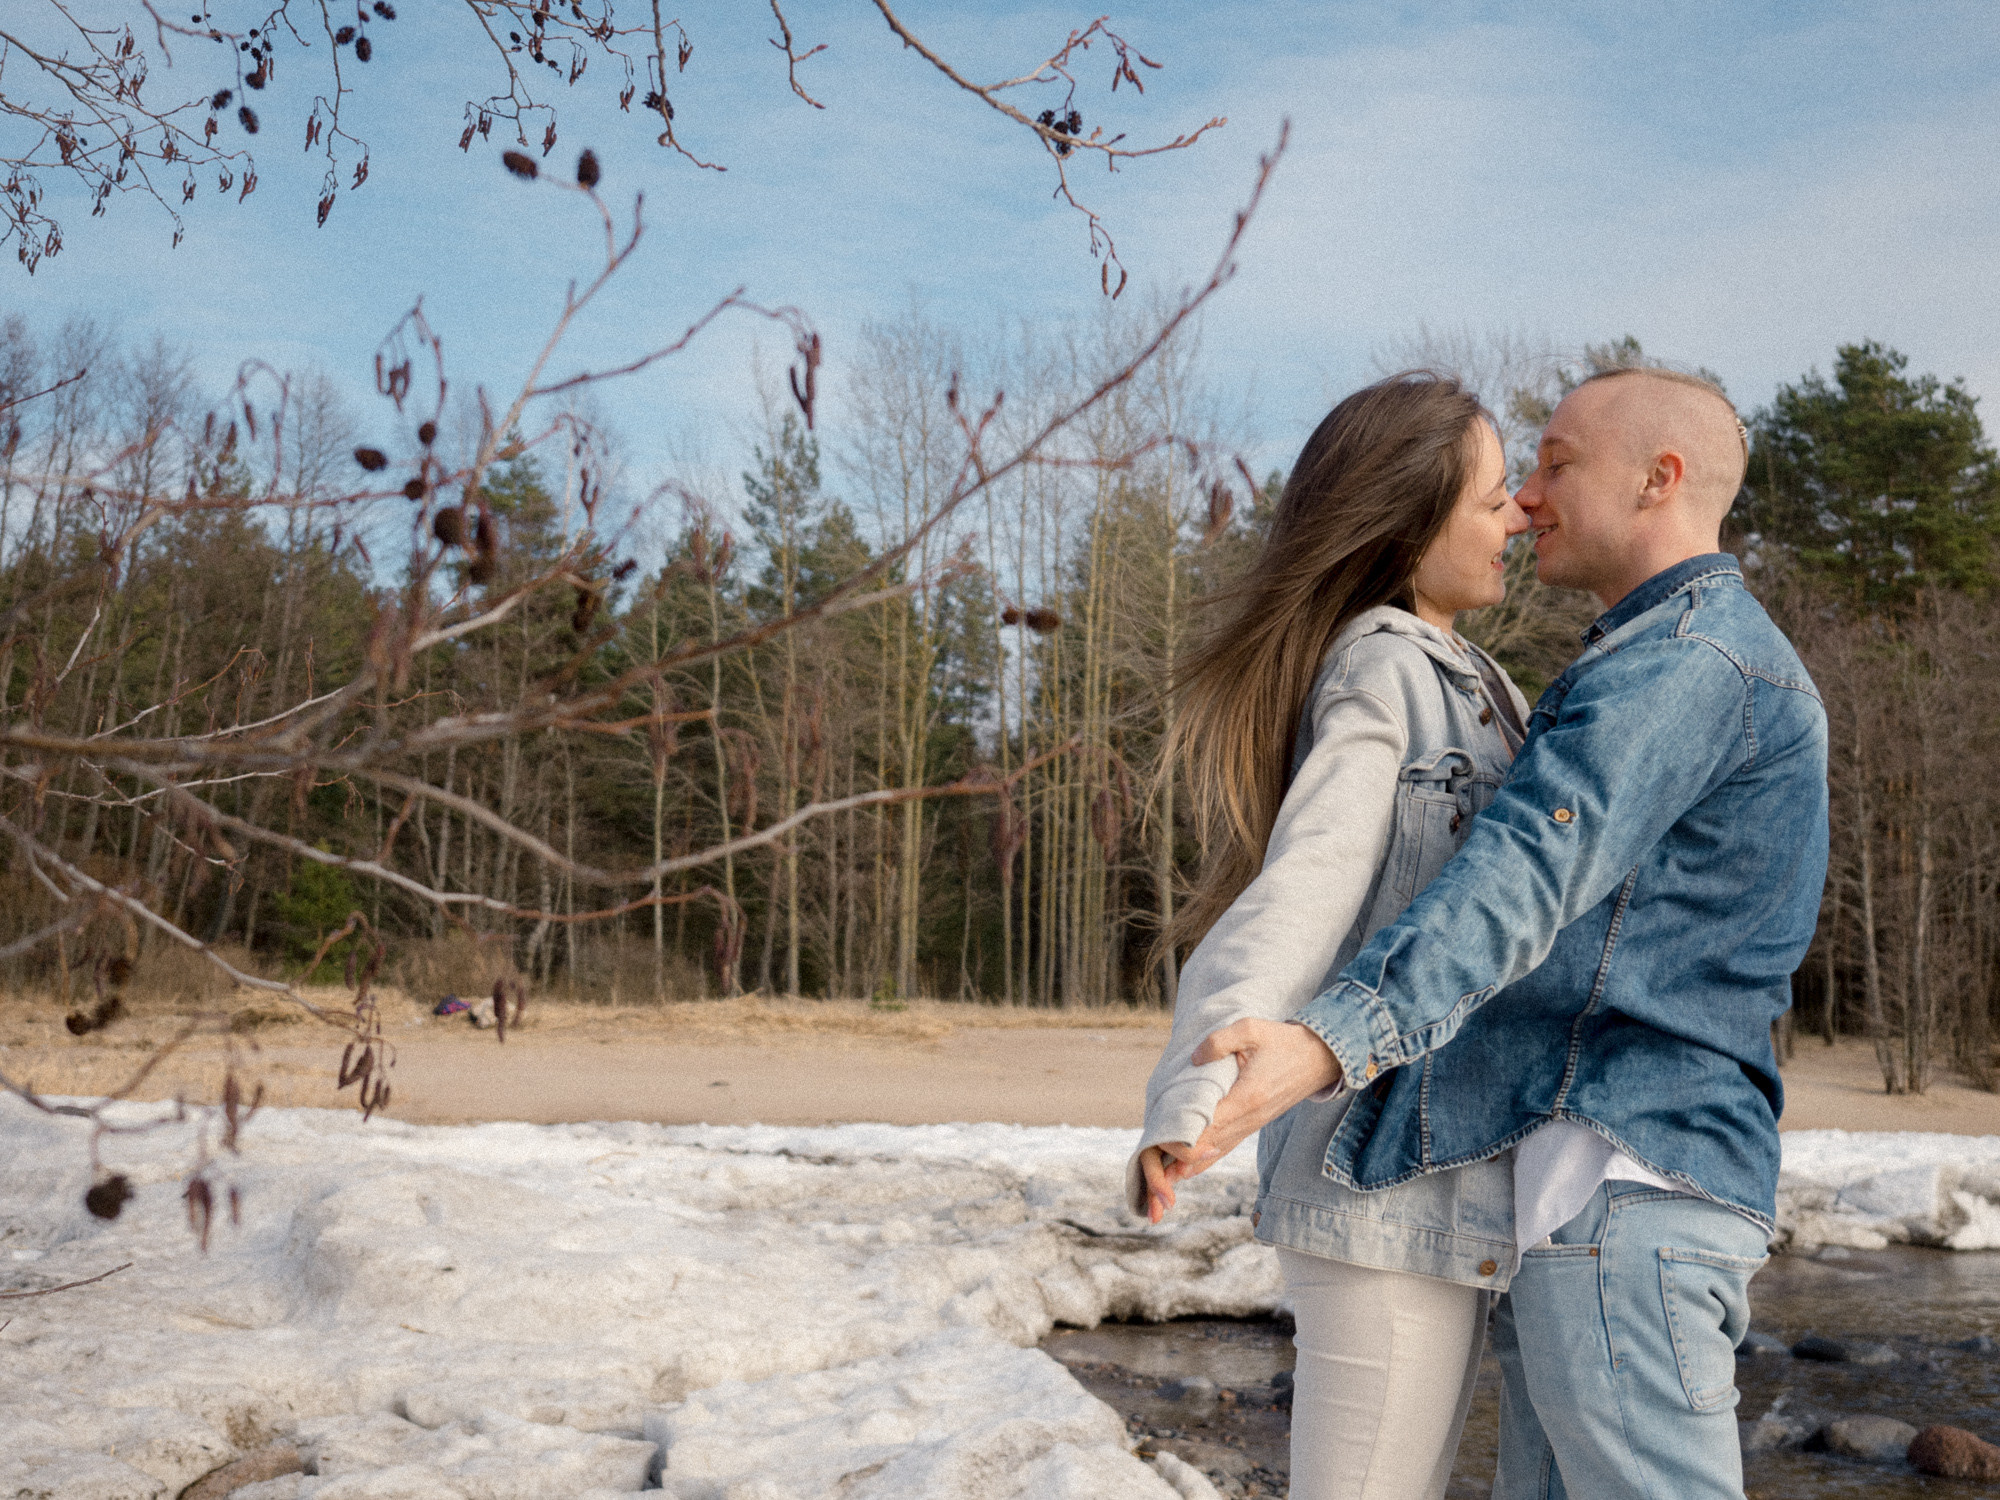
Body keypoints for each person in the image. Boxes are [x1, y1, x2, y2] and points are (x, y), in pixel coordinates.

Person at [1160, 366, 1830, 1500]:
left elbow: (1524, 873)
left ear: (1658, 479)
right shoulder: (1634, 661)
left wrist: (1334, 1038)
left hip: (1623, 1183)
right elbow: (1324, 877)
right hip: (1589, 1197)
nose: (1528, 497)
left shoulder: (1687, 664)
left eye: (1557, 462)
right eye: (1511, 478)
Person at [1131, 371, 1533, 1499]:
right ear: (1409, 521)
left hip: (1442, 1169)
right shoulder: (1383, 664)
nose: (1516, 519)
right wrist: (1193, 1090)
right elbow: (1308, 876)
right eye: (1492, 499)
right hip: (1373, 1185)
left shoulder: (1484, 683)